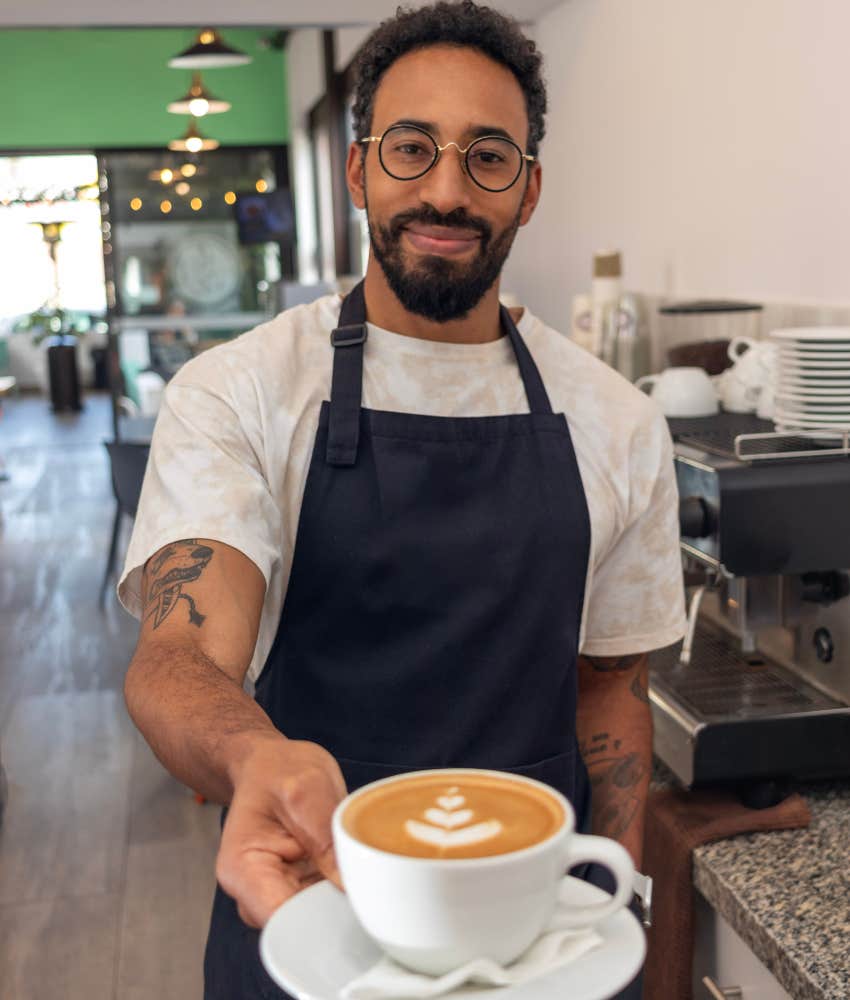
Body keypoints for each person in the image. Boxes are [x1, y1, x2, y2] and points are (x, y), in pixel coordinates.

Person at [120, 3, 686, 997]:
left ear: (530, 189)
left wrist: (616, 896)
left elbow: (611, 687)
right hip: (308, 913)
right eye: (411, 148)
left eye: (488, 158)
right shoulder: (242, 391)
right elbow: (177, 658)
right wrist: (256, 758)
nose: (445, 191)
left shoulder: (618, 421)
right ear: (356, 169)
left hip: (539, 932)